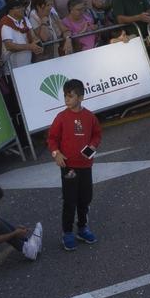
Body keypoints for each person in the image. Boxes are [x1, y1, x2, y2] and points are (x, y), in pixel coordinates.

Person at [48, 78, 100, 251]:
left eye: (70, 96)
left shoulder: (90, 117)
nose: (67, 99)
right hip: (68, 166)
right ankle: (67, 232)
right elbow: (52, 139)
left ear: (81, 97)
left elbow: (97, 135)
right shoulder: (61, 117)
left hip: (85, 166)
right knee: (70, 200)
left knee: (85, 198)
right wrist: (56, 153)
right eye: (65, 96)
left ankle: (83, 228)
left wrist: (92, 146)